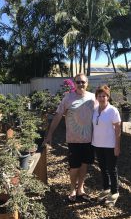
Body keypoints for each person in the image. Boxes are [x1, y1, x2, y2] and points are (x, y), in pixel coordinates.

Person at [43, 73, 96, 202]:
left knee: (84, 165)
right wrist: (50, 134)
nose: (81, 84)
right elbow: (57, 116)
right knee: (74, 167)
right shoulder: (67, 98)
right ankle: (72, 189)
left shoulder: (93, 97)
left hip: (89, 139)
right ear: (74, 84)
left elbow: (101, 115)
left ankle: (80, 189)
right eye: (78, 82)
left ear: (87, 83)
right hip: (73, 139)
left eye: (83, 82)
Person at [92, 85, 121, 207]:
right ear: (96, 97)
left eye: (104, 95)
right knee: (102, 168)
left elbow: (118, 129)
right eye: (99, 96)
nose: (102, 97)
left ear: (108, 97)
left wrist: (117, 145)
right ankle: (106, 189)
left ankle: (115, 192)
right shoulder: (95, 110)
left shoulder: (113, 110)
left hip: (110, 145)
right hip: (97, 144)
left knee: (112, 169)